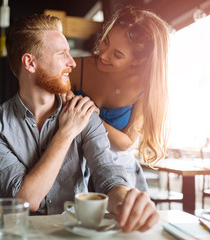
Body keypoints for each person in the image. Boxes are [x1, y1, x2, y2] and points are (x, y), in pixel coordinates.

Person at [0, 13, 158, 233]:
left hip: (74, 233)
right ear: (30, 63)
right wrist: (66, 132)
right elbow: (24, 199)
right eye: (62, 54)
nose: (72, 63)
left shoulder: (83, 112)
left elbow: (107, 174)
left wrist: (127, 201)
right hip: (20, 234)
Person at [69, 5, 170, 192]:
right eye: (105, 42)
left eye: (117, 54)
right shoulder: (78, 69)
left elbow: (126, 143)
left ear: (138, 60)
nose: (103, 55)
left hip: (121, 173)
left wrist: (91, 116)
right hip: (74, 170)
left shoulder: (144, 87)